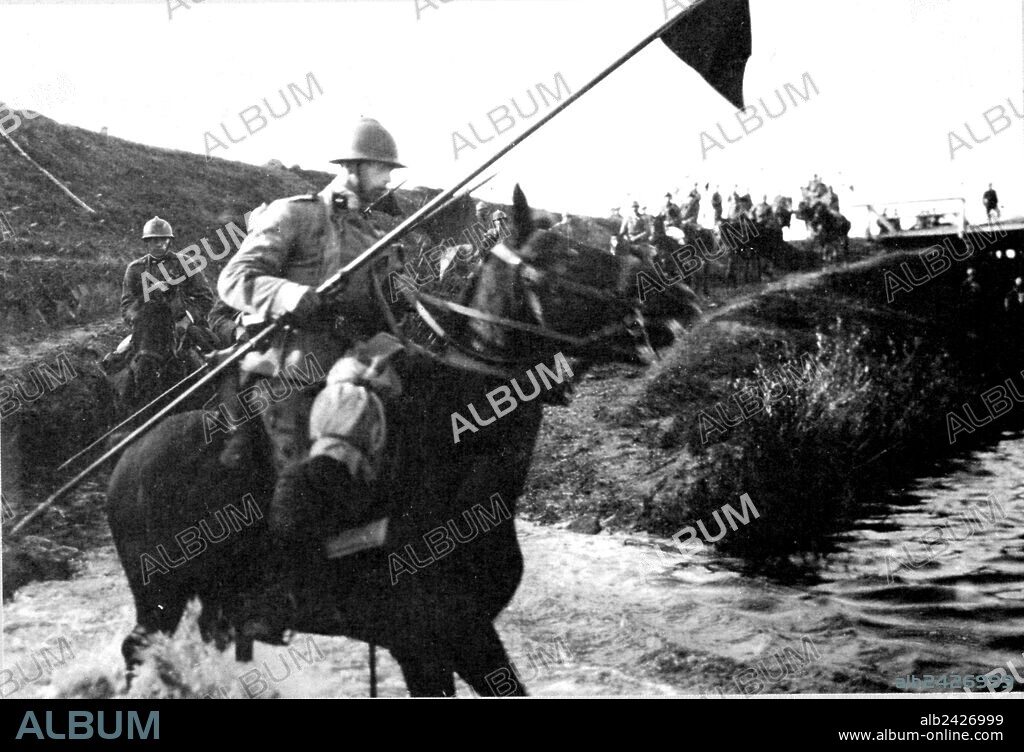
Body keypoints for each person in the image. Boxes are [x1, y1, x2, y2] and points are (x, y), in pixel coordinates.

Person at [217, 118, 408, 639]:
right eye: (381, 169)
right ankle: (277, 594)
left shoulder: (377, 233)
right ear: (352, 168)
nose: (387, 180)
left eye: (389, 171)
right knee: (306, 471)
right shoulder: (296, 214)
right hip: (289, 367)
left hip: (355, 368)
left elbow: (385, 310)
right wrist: (289, 295)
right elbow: (234, 279)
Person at [119, 216, 217, 380]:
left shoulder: (185, 263)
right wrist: (141, 320)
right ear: (147, 242)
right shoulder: (135, 269)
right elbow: (127, 304)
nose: (158, 244)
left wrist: (186, 320)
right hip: (148, 329)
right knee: (120, 360)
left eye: (163, 240)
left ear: (169, 241)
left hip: (182, 324)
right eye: (154, 240)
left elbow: (205, 297)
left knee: (212, 355)